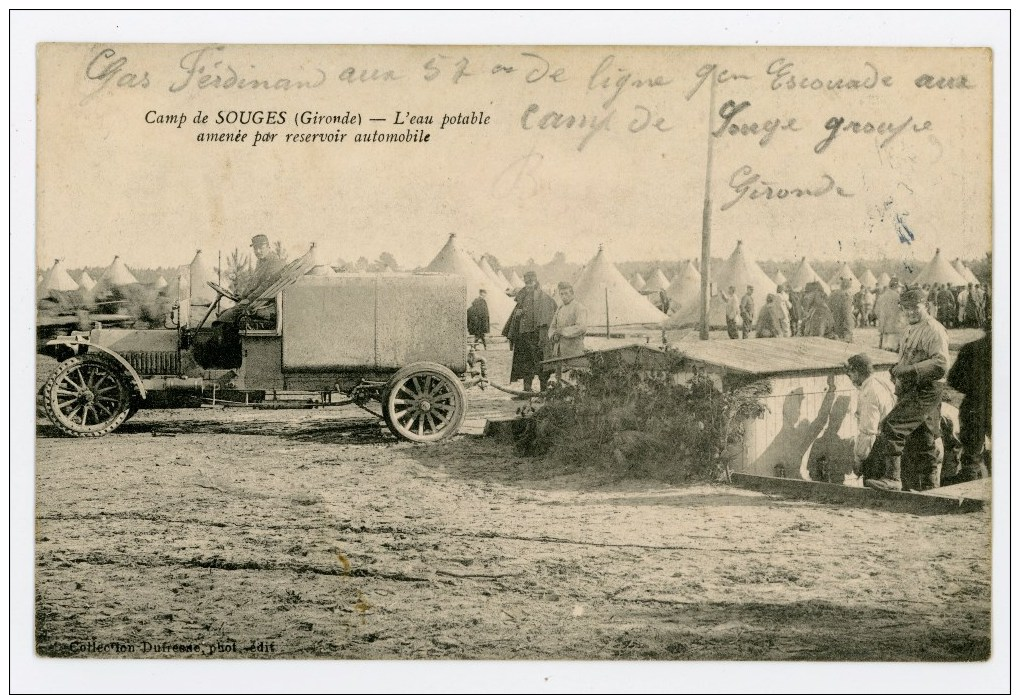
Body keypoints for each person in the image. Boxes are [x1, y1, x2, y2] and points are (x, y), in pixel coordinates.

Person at [865, 288, 950, 491]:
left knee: (893, 425)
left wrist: (908, 370)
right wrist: (897, 371)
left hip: (927, 389)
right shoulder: (910, 328)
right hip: (913, 388)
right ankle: (930, 489)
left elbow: (940, 364)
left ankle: (893, 478)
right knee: (925, 438)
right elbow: (907, 357)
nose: (910, 312)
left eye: (915, 308)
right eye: (906, 308)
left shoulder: (934, 329)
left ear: (926, 306)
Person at [946, 325, 991, 482]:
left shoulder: (971, 348)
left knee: (971, 455)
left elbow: (953, 379)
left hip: (974, 405)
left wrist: (974, 388)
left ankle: (970, 489)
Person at [502, 271, 558, 394]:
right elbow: (516, 316)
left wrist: (543, 334)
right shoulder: (522, 296)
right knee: (525, 364)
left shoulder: (544, 298)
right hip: (524, 337)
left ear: (536, 281)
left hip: (538, 336)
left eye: (531, 282)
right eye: (526, 283)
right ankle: (527, 389)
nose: (528, 285)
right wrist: (518, 315)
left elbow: (550, 315)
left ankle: (544, 388)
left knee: (541, 363)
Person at [844, 353, 897, 484]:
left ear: (856, 372)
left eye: (850, 375)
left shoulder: (869, 393)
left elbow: (868, 431)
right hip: (890, 444)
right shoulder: (879, 382)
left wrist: (859, 459)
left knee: (872, 489)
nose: (850, 379)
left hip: (876, 449)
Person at [549, 281, 588, 360]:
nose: (563, 296)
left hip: (574, 350)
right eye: (561, 294)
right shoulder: (560, 308)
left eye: (566, 293)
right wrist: (553, 335)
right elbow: (552, 326)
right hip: (559, 350)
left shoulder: (579, 308)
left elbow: (581, 327)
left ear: (572, 294)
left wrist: (562, 331)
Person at [875, 279, 903, 350]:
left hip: (884, 322)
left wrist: (880, 317)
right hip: (894, 322)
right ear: (895, 286)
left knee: (885, 338)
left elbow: (876, 310)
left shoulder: (882, 296)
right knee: (892, 339)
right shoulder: (897, 296)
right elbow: (902, 309)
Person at [827, 277, 855, 342]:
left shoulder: (833, 294)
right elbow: (847, 314)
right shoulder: (846, 296)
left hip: (833, 322)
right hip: (842, 324)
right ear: (848, 286)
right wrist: (849, 331)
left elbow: (829, 306)